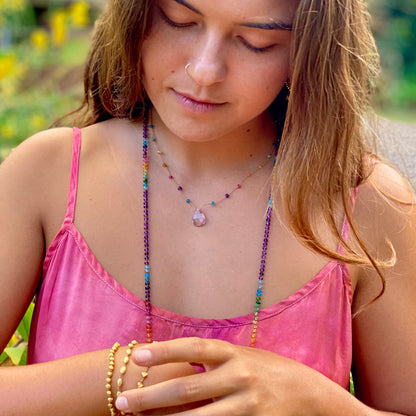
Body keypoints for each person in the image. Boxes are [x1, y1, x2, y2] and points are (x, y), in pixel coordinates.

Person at [0, 0, 415, 414]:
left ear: (308, 51)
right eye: (180, 21)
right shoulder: (48, 176)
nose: (203, 70)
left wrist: (319, 403)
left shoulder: (365, 202)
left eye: (256, 42)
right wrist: (117, 378)